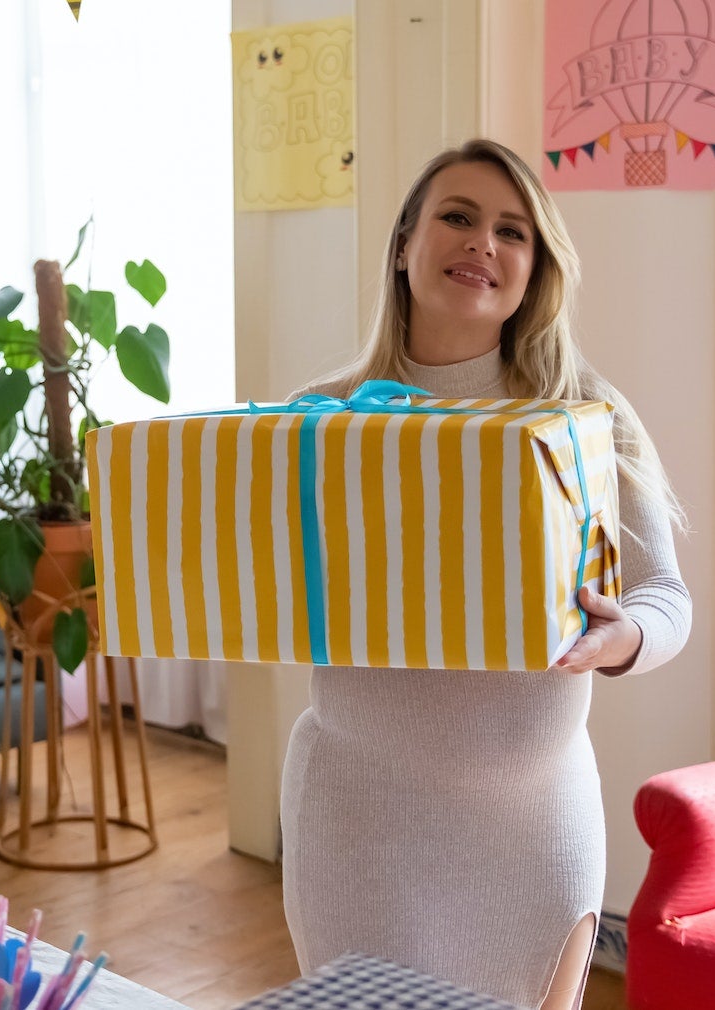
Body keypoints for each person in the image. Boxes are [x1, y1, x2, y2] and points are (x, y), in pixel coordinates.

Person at [280, 139, 692, 1010]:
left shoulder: (583, 413)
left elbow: (666, 600)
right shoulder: (321, 420)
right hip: (359, 821)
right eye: (458, 218)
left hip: (533, 830)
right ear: (404, 244)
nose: (484, 245)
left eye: (513, 231)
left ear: (535, 267)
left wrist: (623, 641)